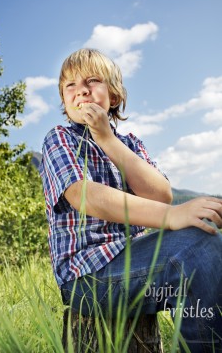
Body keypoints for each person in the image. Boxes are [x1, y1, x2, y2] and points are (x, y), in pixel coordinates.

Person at [39, 48, 222, 352]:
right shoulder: (59, 138)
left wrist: (107, 140)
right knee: (200, 250)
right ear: (63, 99)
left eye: (92, 80)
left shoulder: (130, 144)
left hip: (132, 260)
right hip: (87, 278)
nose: (81, 89)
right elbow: (85, 196)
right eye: (70, 85)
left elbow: (160, 194)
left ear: (113, 97)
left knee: (208, 243)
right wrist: (171, 216)